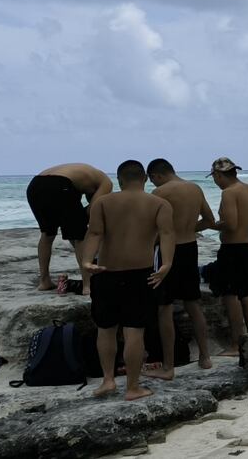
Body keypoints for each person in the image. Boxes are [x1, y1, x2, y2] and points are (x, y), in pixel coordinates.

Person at [81, 160, 175, 401]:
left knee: (106, 329)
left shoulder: (101, 202)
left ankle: (108, 380)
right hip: (139, 274)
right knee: (134, 332)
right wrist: (166, 265)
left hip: (105, 272)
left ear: (120, 180)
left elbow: (94, 233)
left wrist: (87, 261)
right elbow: (166, 235)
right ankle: (132, 387)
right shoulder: (159, 204)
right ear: (144, 179)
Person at [143, 158, 216, 378]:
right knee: (193, 303)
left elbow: (149, 229)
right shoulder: (194, 188)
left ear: (156, 176)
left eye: (152, 181)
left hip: (167, 252)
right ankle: (205, 356)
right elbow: (210, 220)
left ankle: (168, 366)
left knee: (164, 307)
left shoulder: (159, 193)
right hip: (189, 248)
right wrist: (189, 228)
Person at [206, 157, 248, 357]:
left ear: (218, 175)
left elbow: (230, 224)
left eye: (214, 177)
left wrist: (210, 224)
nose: (215, 182)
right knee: (247, 294)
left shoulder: (229, 193)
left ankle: (235, 345)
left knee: (231, 295)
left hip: (232, 250)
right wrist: (246, 227)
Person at [25, 163, 113, 292]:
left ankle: (44, 281)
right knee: (80, 235)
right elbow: (93, 210)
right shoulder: (106, 183)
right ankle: (87, 285)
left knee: (47, 233)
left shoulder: (85, 176)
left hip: (35, 185)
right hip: (59, 184)